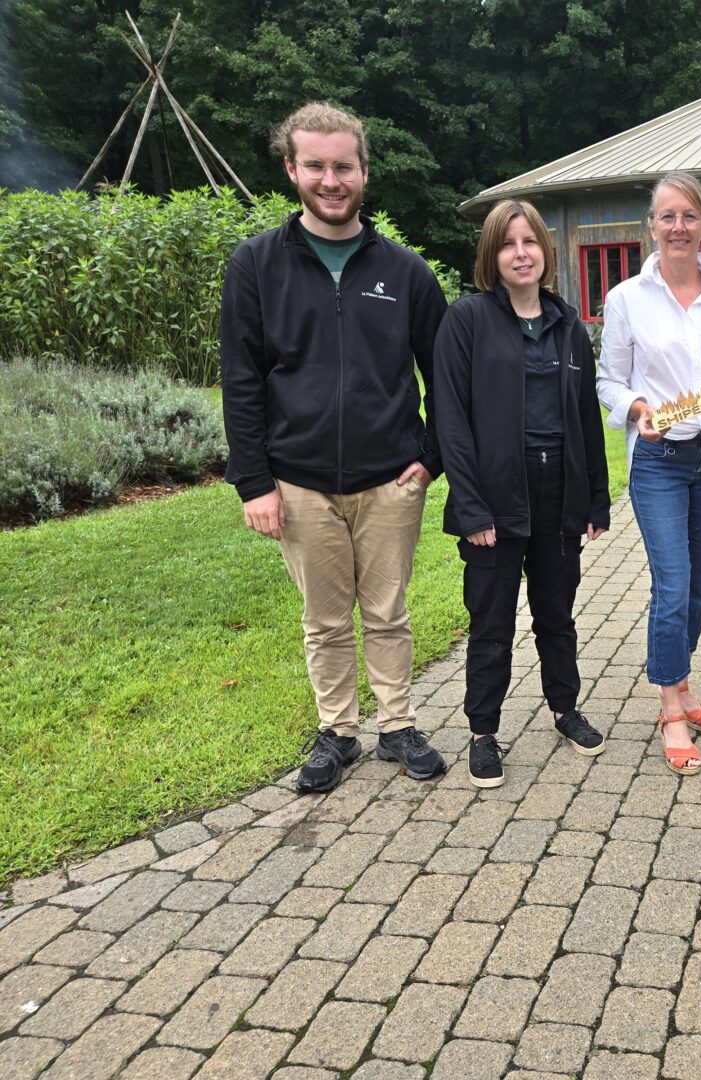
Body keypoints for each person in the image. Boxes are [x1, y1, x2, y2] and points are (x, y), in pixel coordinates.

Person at [221, 102, 449, 793]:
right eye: (315, 165)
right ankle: (337, 732)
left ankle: (398, 724)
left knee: (387, 612)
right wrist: (254, 482)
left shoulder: (407, 274)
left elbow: (448, 377)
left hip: (390, 481)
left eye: (342, 166)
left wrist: (430, 458)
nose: (330, 179)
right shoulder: (257, 265)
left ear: (363, 171)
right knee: (324, 620)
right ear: (292, 169)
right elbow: (240, 378)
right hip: (298, 483)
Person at [433, 200, 610, 789]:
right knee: (492, 622)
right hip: (495, 496)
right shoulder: (468, 321)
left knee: (556, 615)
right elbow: (450, 419)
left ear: (545, 251)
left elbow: (587, 420)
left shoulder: (569, 326)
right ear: (492, 255)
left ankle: (564, 709)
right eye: (508, 244)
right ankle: (483, 732)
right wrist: (473, 506)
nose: (521, 253)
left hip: (560, 492)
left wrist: (597, 500)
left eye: (530, 241)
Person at [597, 171, 701, 776]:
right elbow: (608, 381)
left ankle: (683, 685)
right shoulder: (626, 300)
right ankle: (669, 705)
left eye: (689, 216)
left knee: (698, 584)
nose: (678, 227)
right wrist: (639, 410)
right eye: (667, 216)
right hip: (661, 462)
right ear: (652, 226)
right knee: (672, 583)